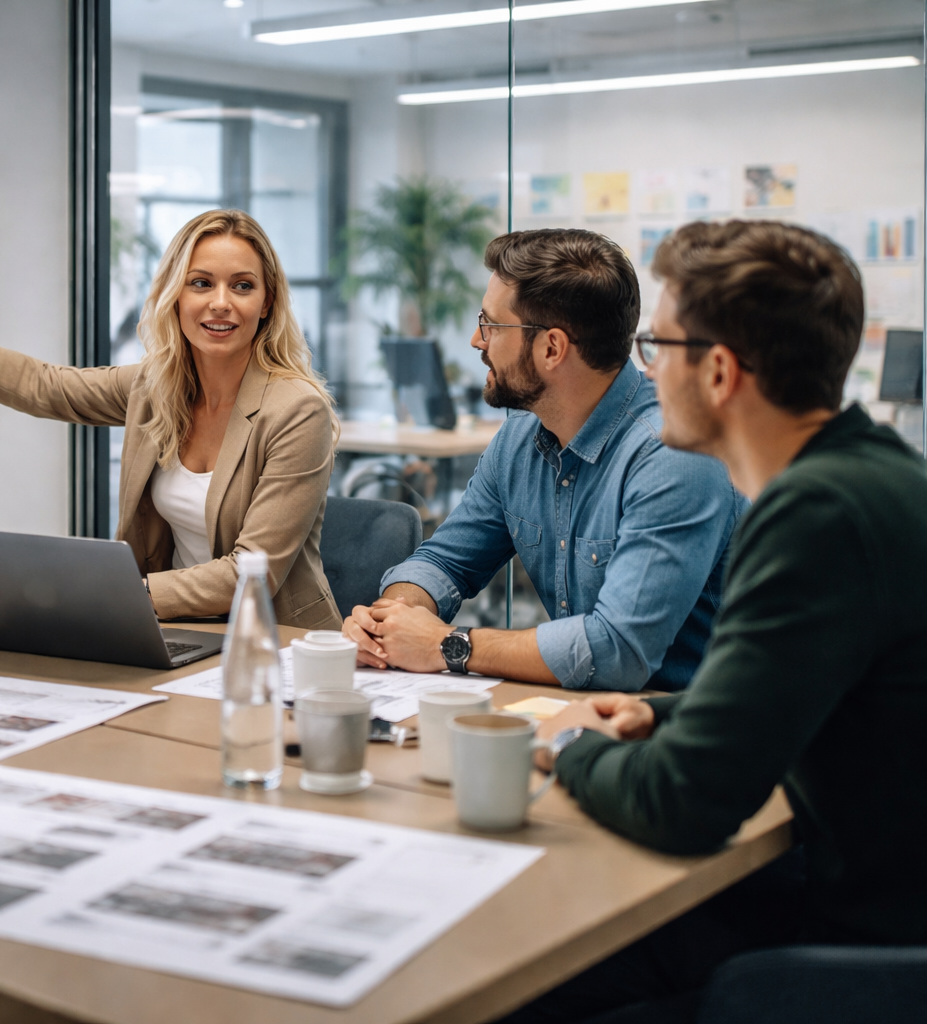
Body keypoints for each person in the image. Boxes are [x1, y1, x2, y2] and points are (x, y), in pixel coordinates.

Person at [514, 220, 927, 1022]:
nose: (642, 373)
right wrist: (666, 715)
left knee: (527, 987)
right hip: (869, 915)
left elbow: (684, 804)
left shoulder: (816, 514)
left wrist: (566, 750)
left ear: (719, 372)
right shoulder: (875, 473)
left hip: (863, 966)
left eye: (655, 348)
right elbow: (804, 694)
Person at [0, 209, 342, 629]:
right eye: (201, 283)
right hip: (183, 634)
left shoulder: (296, 410)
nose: (220, 304)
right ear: (175, 296)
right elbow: (46, 385)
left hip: (279, 647)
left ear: (268, 301)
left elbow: (250, 573)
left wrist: (116, 595)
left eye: (243, 286)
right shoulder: (154, 387)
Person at [344, 229, 744, 690]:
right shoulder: (520, 436)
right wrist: (389, 621)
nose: (477, 340)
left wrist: (447, 645)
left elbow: (617, 651)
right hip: (577, 711)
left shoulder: (673, 456)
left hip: (678, 727)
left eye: (491, 324)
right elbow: (446, 560)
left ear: (552, 348)